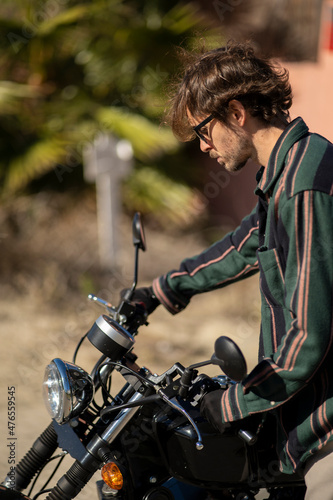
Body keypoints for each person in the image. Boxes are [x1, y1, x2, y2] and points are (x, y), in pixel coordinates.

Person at [129, 41, 333, 499]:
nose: (204, 147)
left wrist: (234, 402)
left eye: (204, 131)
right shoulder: (285, 172)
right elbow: (243, 246)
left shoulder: (304, 186)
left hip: (322, 425)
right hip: (299, 407)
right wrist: (162, 289)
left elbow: (309, 338)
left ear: (237, 113)